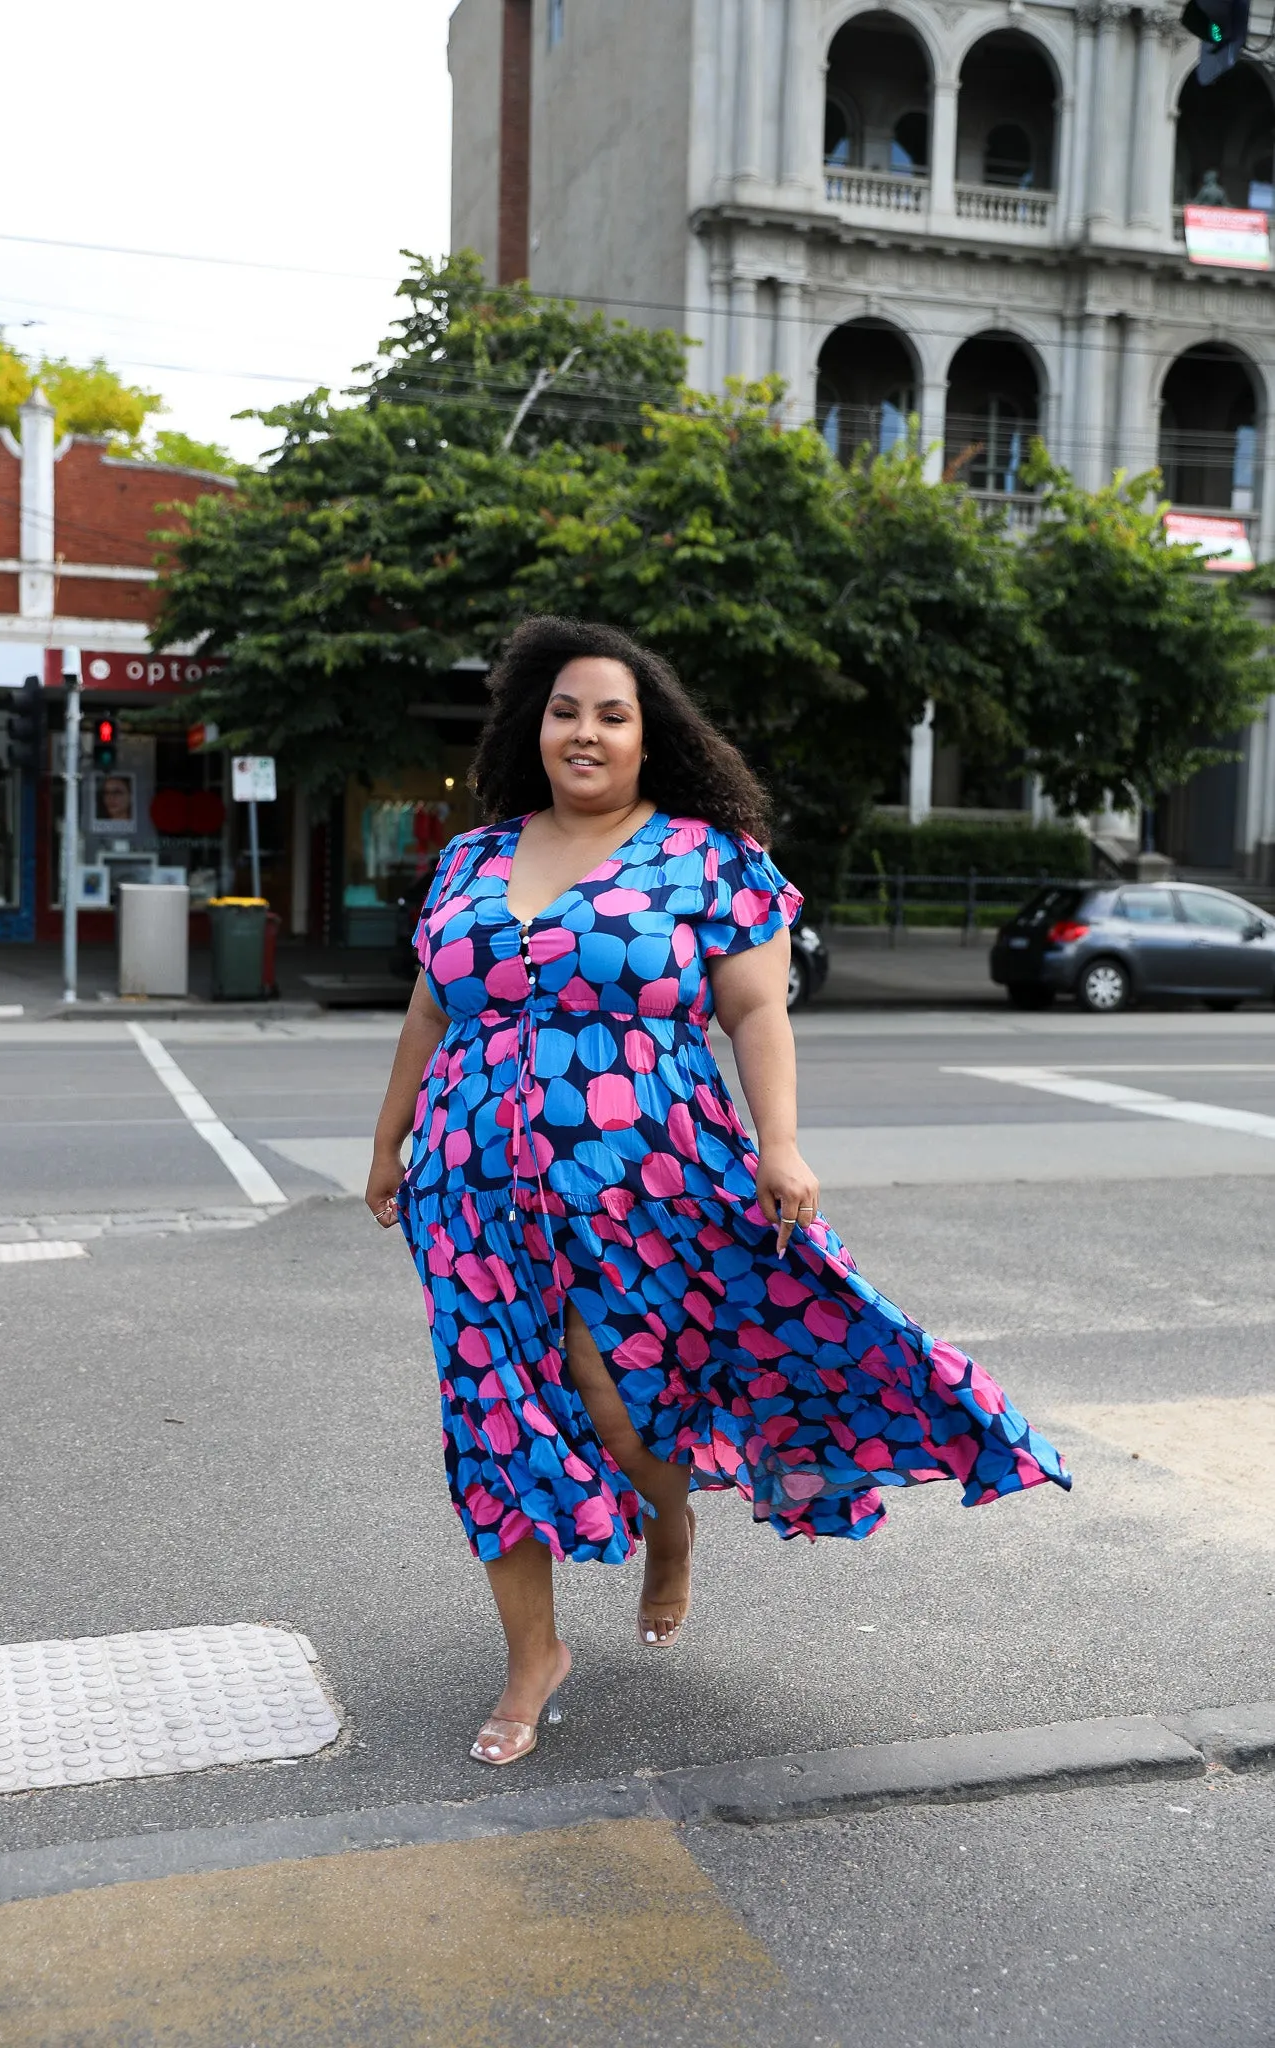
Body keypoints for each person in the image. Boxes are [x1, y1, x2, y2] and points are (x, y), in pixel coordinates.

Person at [367, 617, 1070, 1769]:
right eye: (563, 710)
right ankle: (533, 1651)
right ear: (532, 729)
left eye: (610, 713)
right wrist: (389, 1142)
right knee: (488, 1403)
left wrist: (779, 1145)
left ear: (651, 739)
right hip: (473, 1186)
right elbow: (431, 1011)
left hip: (645, 1174)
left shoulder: (705, 857)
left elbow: (755, 1010)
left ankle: (669, 1516)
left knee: (613, 1387)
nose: (583, 731)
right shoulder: (472, 857)